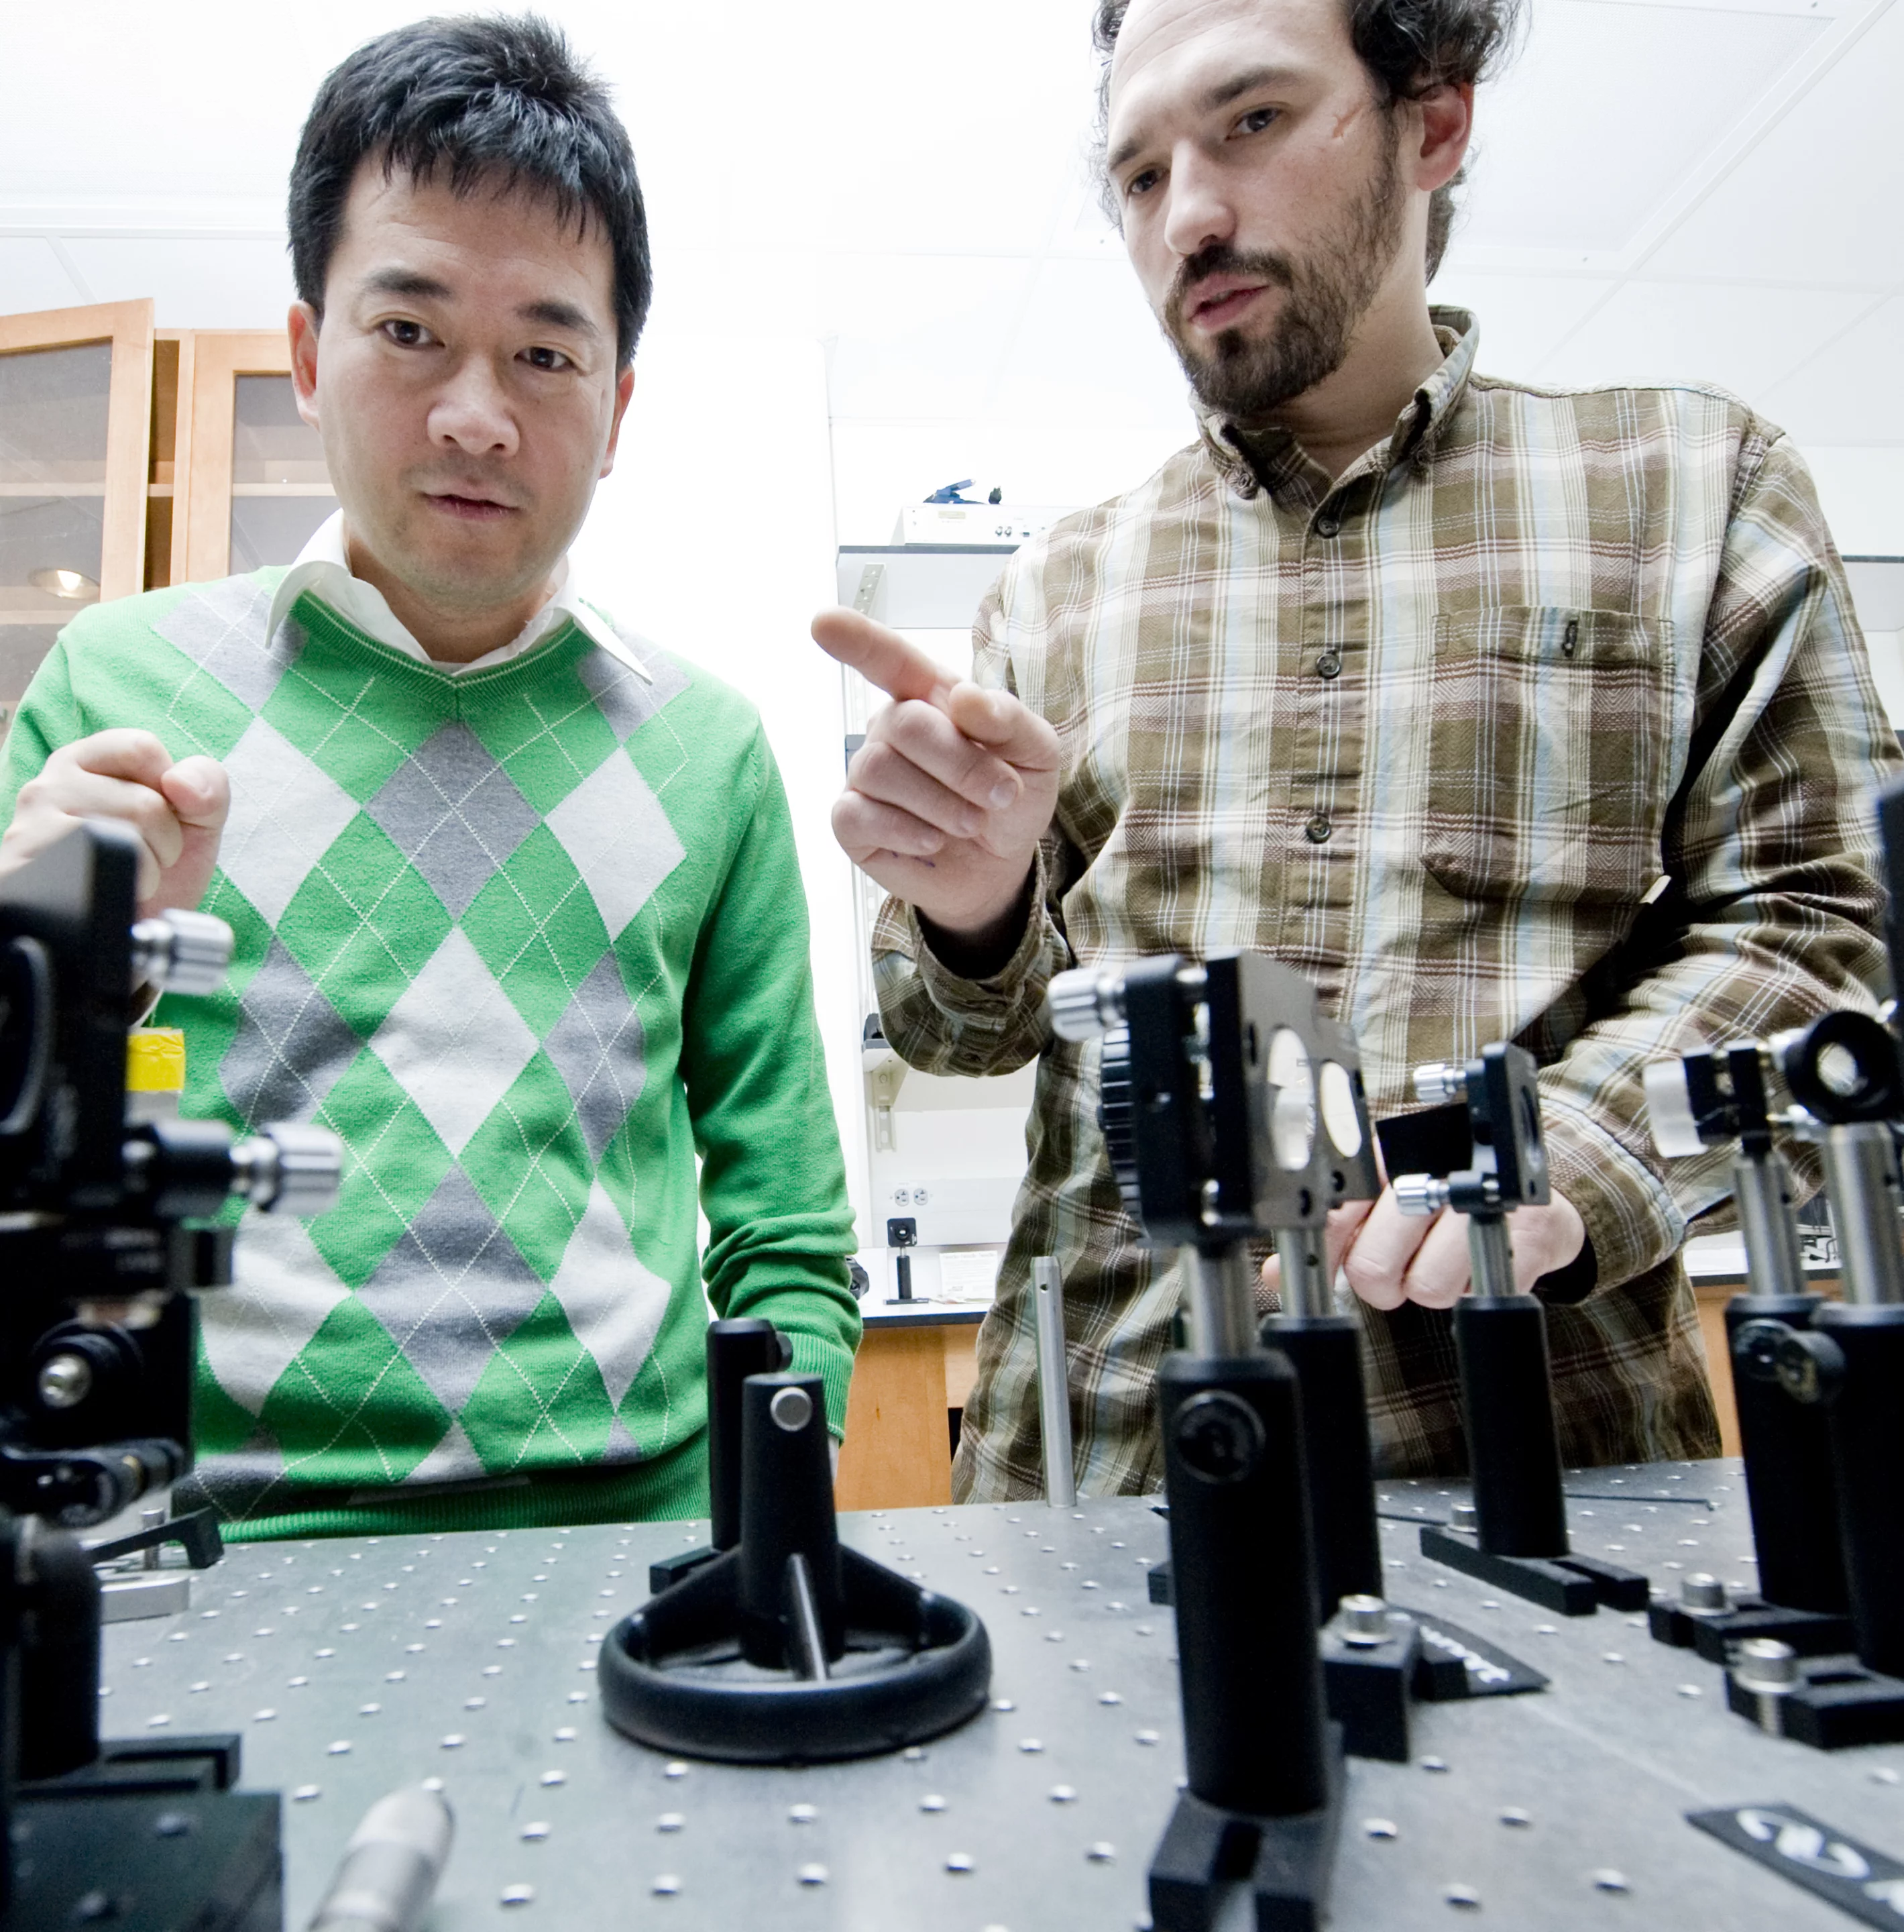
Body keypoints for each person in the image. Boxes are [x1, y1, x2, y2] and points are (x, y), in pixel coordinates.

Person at [817, 0, 1902, 1499]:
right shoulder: (1056, 590)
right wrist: (975, 908)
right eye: (1138, 176)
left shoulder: (1694, 490)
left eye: (1252, 121)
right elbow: (958, 1033)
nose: (1189, 212)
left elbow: (1819, 920)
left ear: (1433, 122)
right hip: (1107, 1465)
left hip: (1543, 1459)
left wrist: (1551, 1169)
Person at [0, 17, 858, 1540]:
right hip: (208, 1538)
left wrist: (766, 1518)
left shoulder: (708, 746)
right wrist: (53, 965)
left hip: (639, 1552)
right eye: (410, 331)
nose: (478, 413)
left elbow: (784, 1214)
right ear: (307, 352)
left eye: (545, 351)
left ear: (617, 411)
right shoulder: (111, 696)